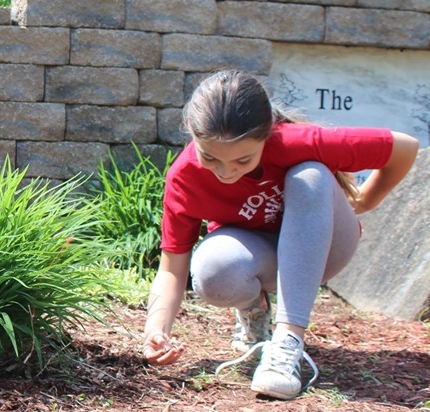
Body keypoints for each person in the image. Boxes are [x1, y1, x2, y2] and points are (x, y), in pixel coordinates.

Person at [141, 70, 418, 400]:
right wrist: (155, 330)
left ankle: (287, 344)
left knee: (310, 174)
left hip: (327, 247)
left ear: (267, 134)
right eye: (210, 157)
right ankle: (255, 312)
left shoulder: (296, 140)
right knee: (212, 270)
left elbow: (405, 147)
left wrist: (364, 202)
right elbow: (173, 269)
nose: (226, 172)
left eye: (243, 159)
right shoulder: (184, 178)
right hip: (262, 258)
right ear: (193, 135)